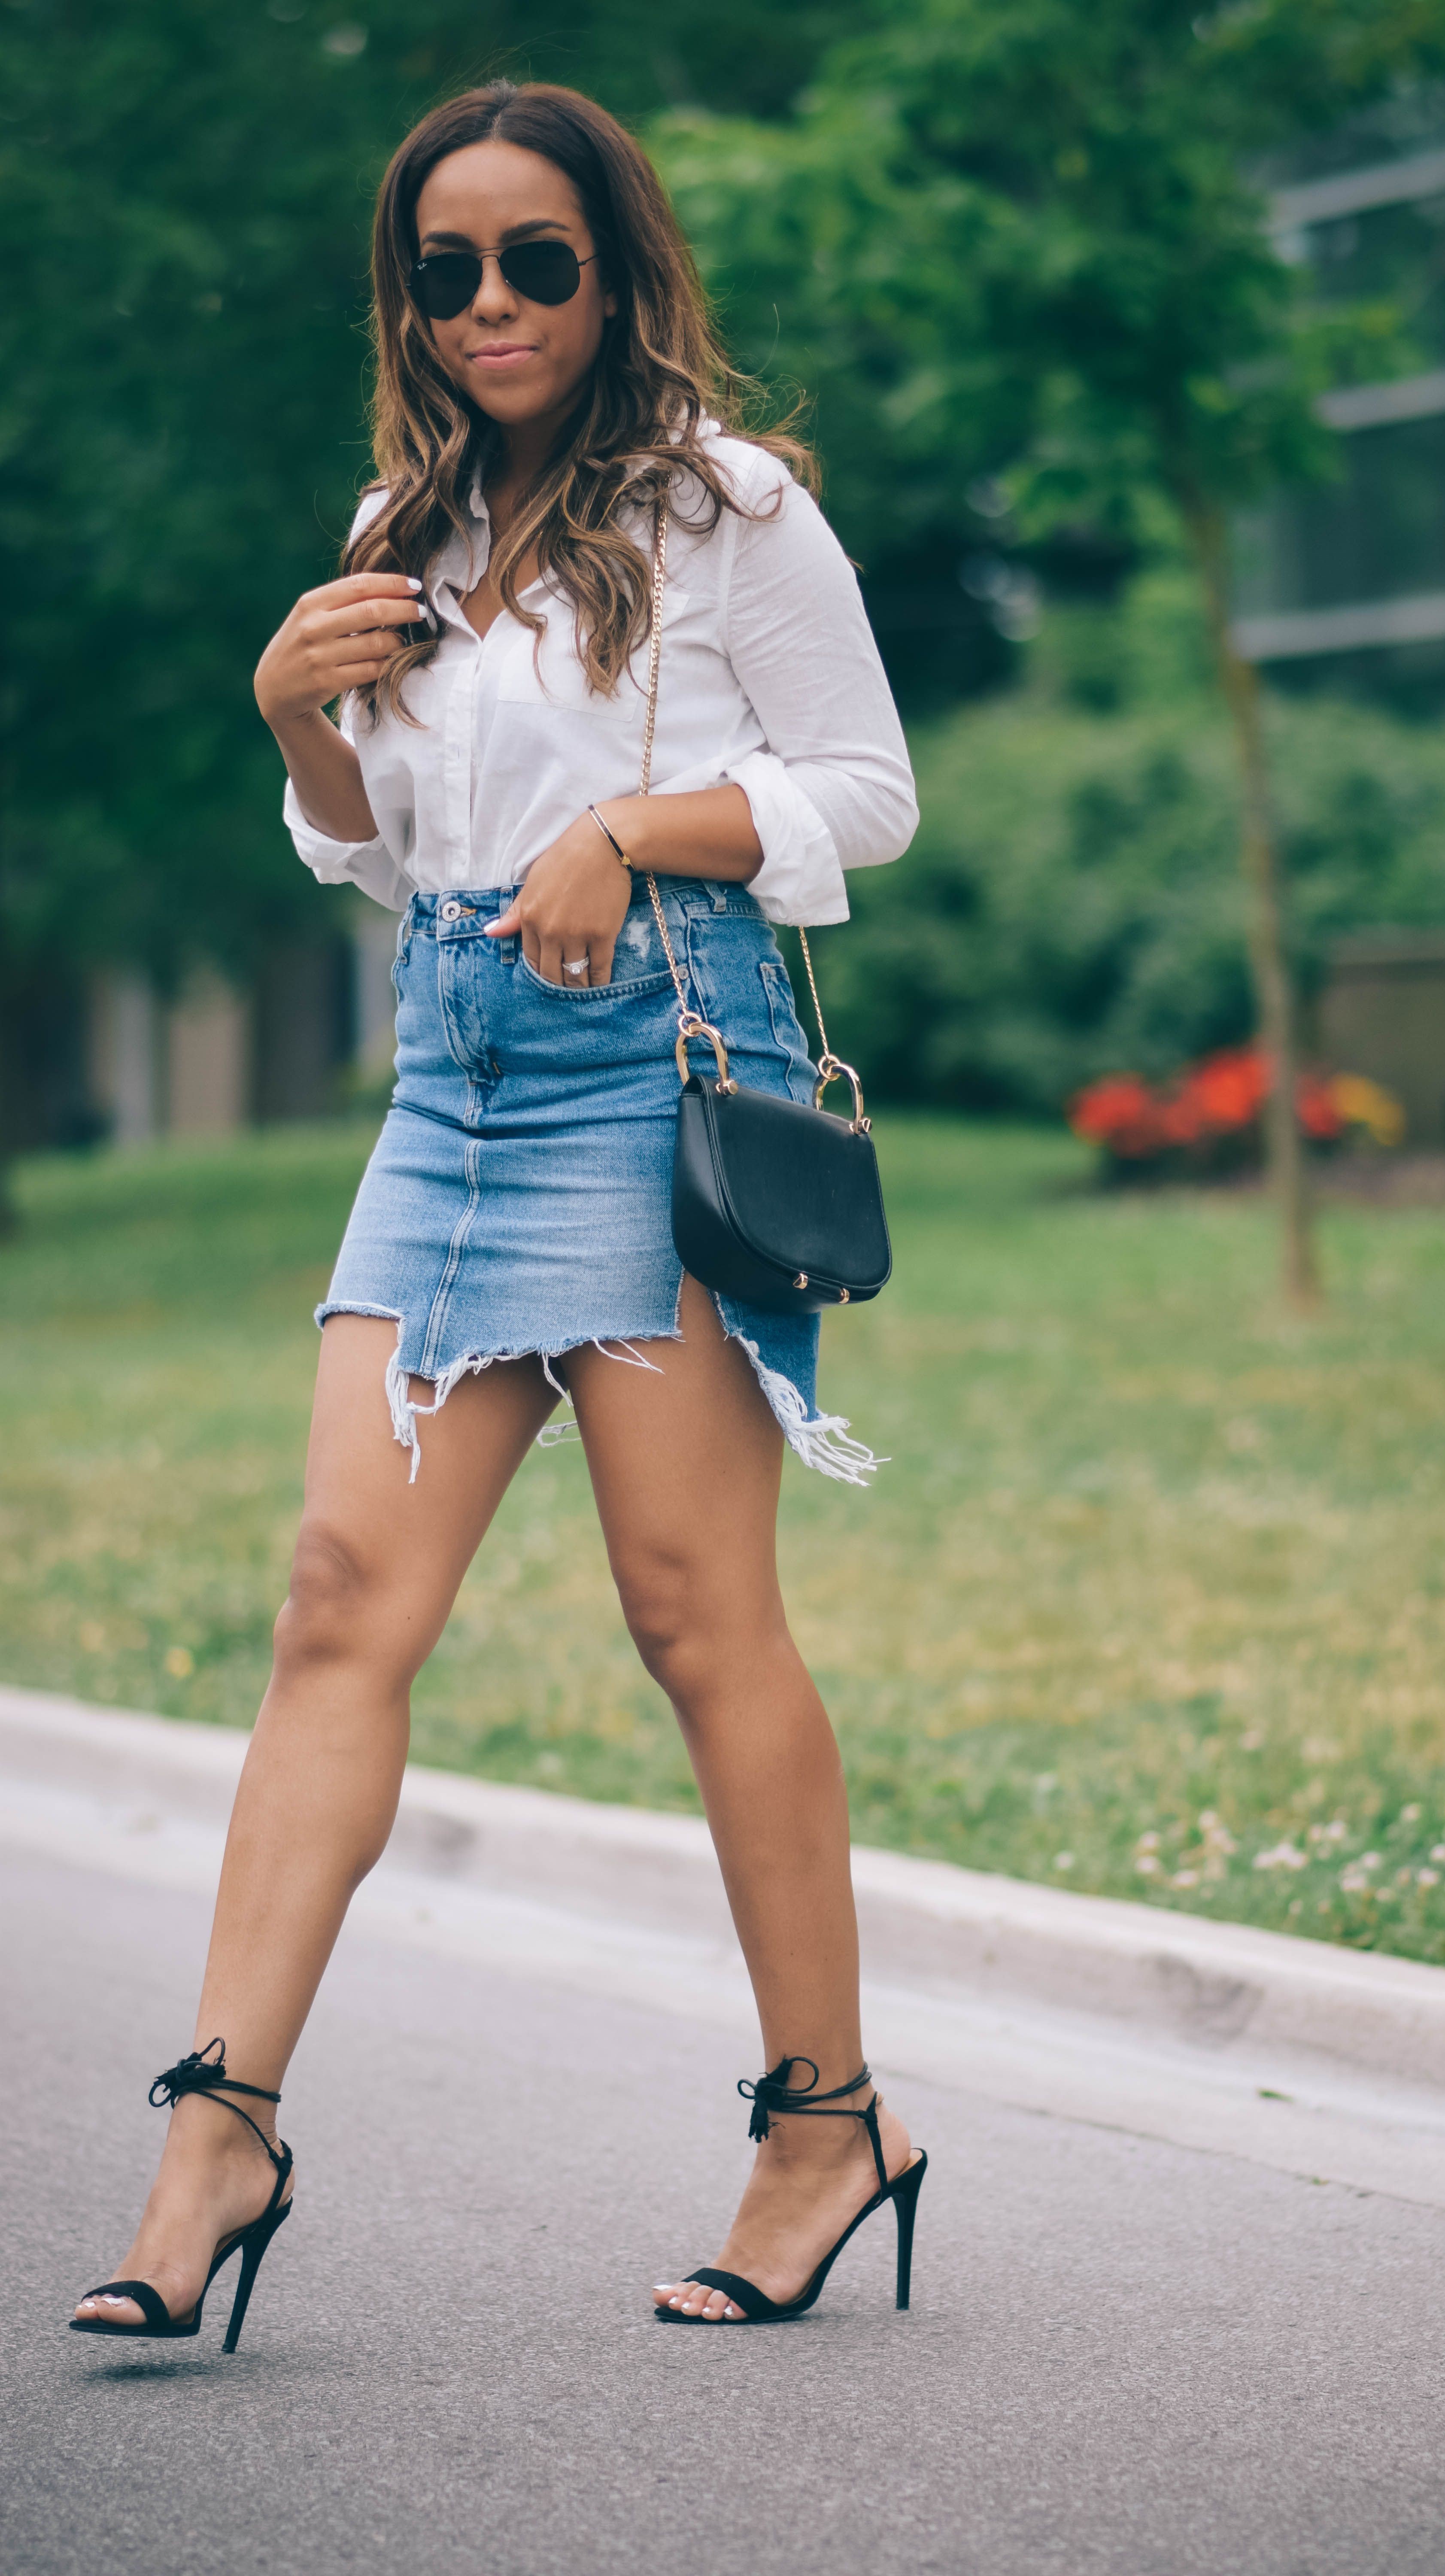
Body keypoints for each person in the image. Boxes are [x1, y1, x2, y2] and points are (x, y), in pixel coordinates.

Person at [71, 78, 924, 2342]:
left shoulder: (729, 508)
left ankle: (828, 2125)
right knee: (337, 1589)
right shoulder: (403, 519)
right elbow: (376, 851)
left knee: (688, 1610)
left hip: (656, 1066)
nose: (488, 305)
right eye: (444, 268)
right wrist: (294, 720)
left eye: (534, 258)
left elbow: (866, 791)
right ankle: (216, 2132)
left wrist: (637, 831)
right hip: (448, 1086)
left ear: (617, 272)